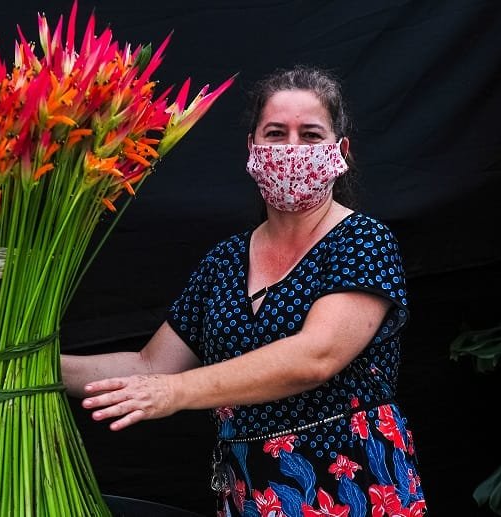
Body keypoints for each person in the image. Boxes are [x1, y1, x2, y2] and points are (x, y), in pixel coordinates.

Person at [62, 65, 428, 516]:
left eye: (310, 135)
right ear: (252, 149)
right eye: (275, 133)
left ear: (340, 151)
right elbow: (150, 365)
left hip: (351, 489)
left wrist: (174, 393)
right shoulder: (225, 261)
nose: (291, 149)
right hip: (251, 495)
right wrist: (33, 365)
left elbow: (316, 356)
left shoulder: (363, 240)